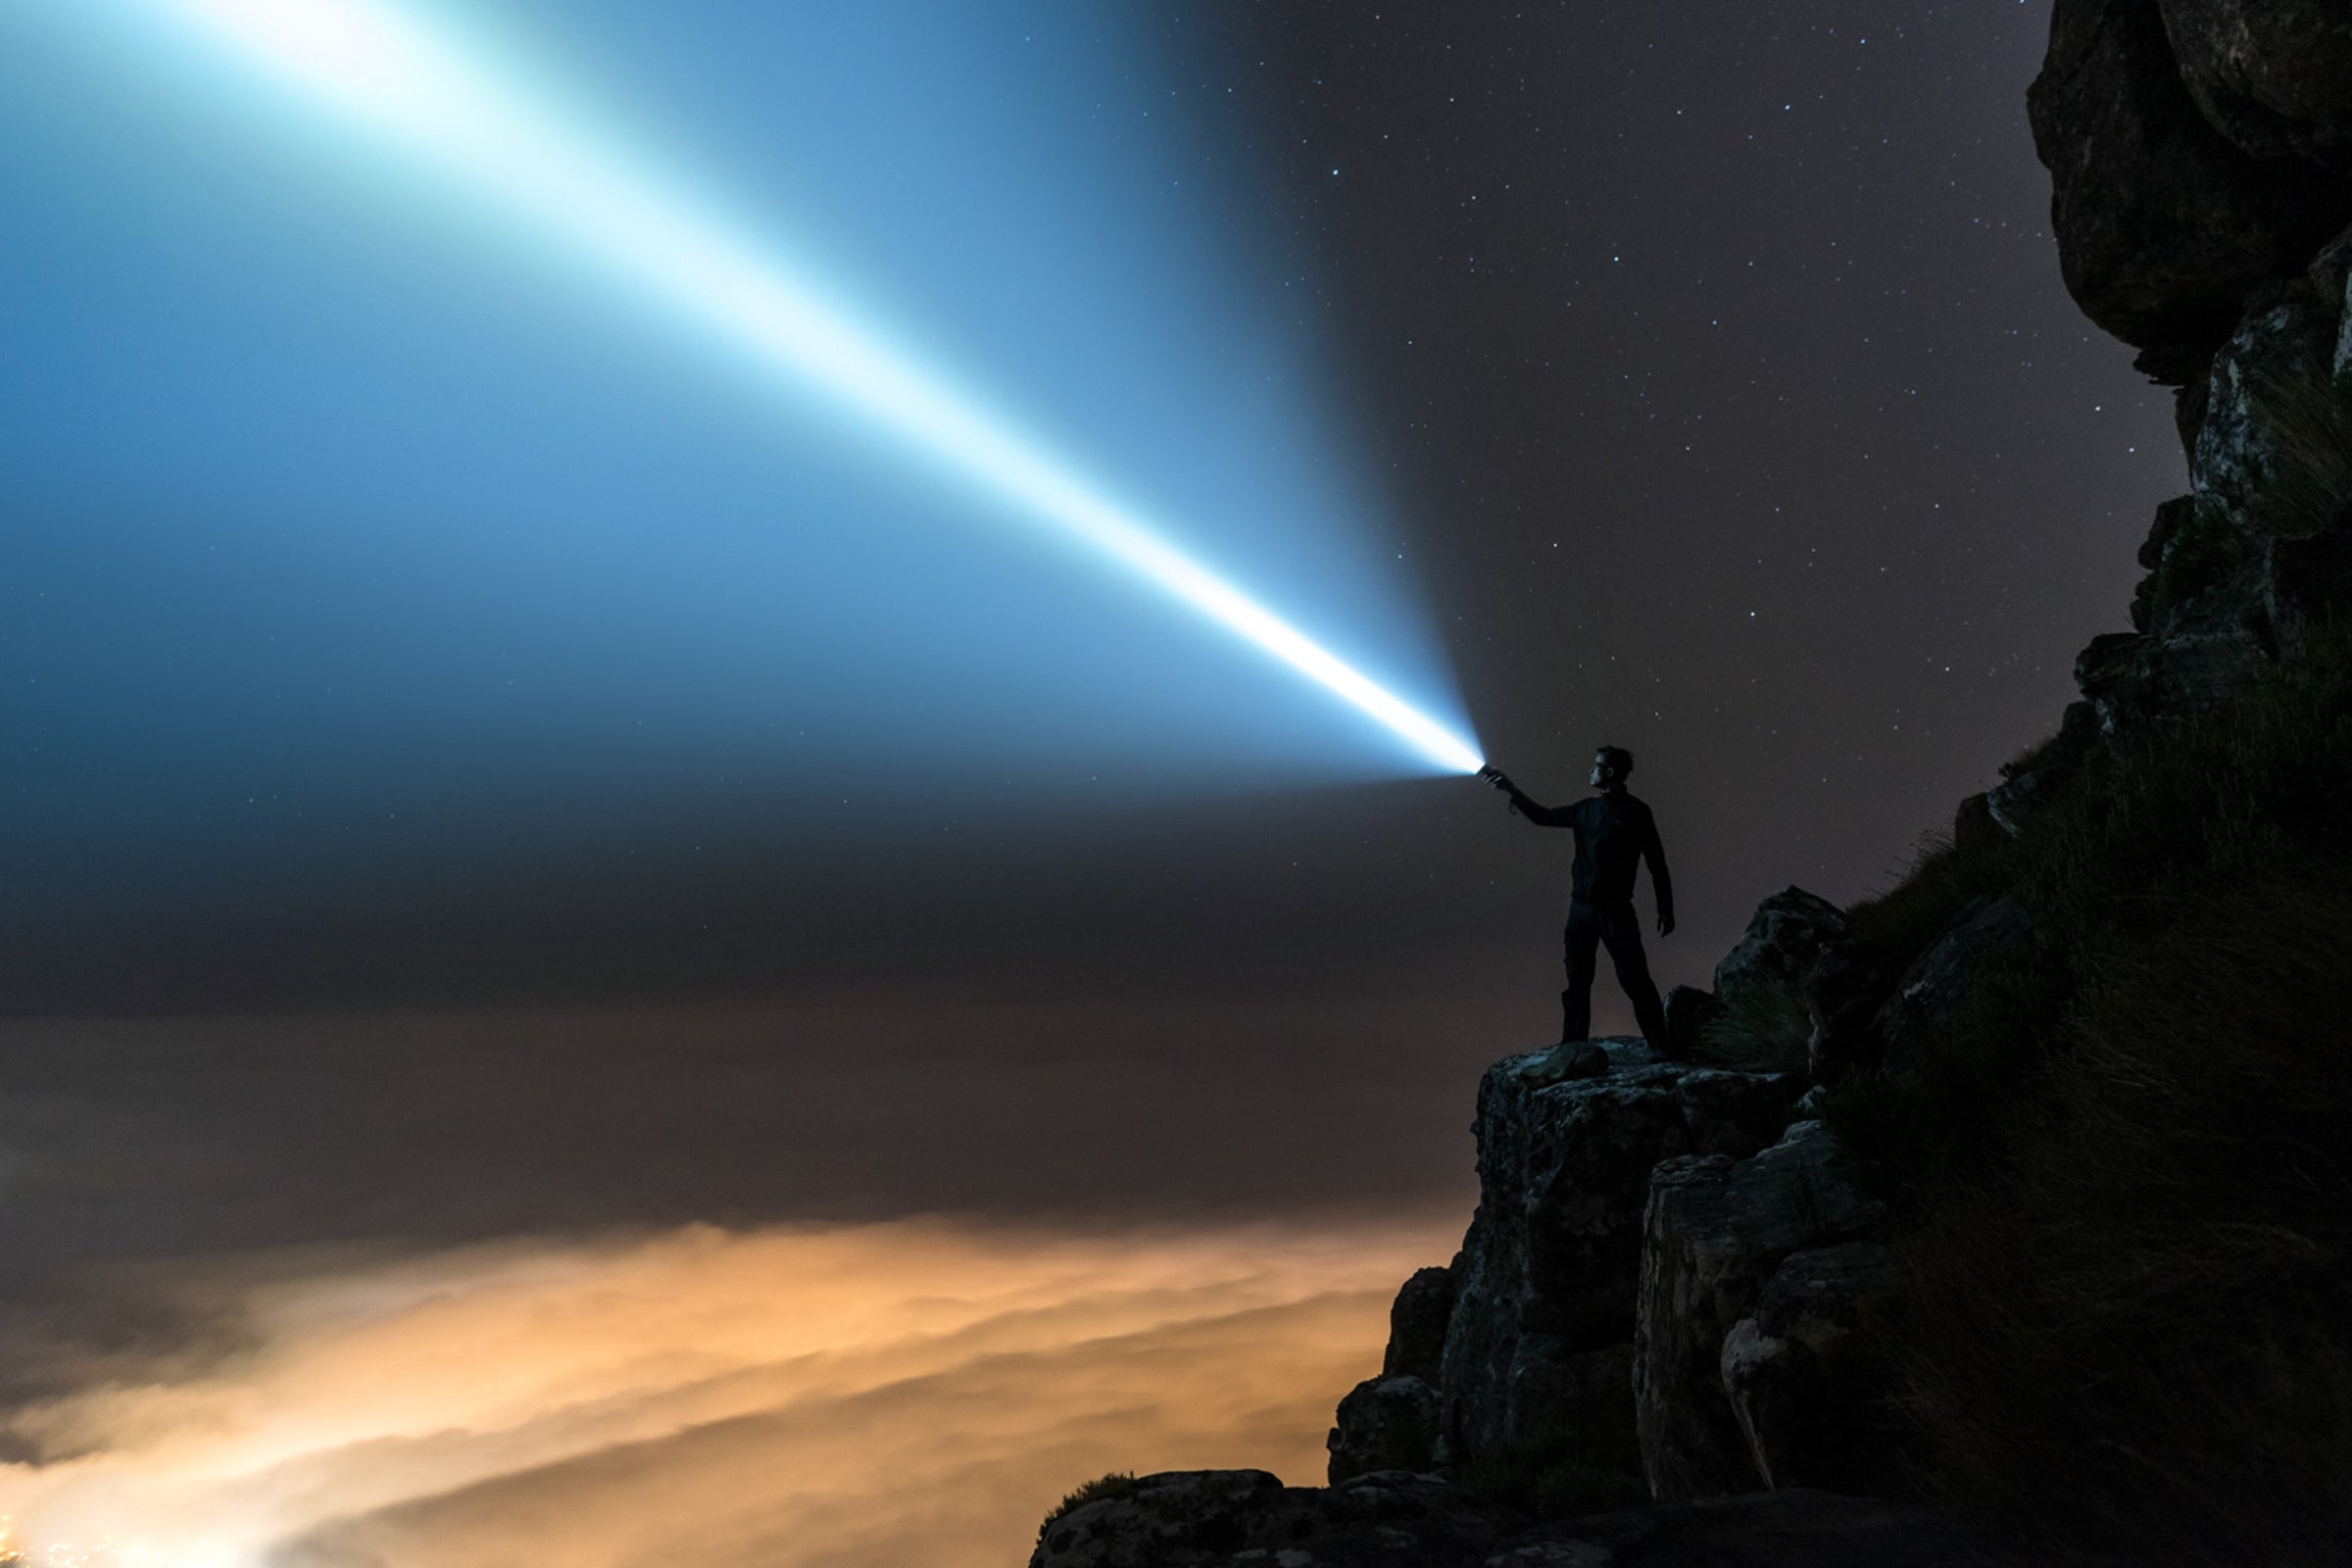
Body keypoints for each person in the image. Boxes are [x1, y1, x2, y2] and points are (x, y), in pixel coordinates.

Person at [1480, 747, 1676, 1053]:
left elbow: (1656, 861)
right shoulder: (1585, 810)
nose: (1590, 770)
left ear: (1609, 772)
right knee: (1577, 980)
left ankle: (1660, 1047)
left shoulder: (1636, 812)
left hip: (1615, 911)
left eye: (1596, 766)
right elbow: (1543, 817)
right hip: (1581, 909)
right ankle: (1574, 1046)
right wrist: (1510, 789)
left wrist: (1666, 908)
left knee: (1634, 978)